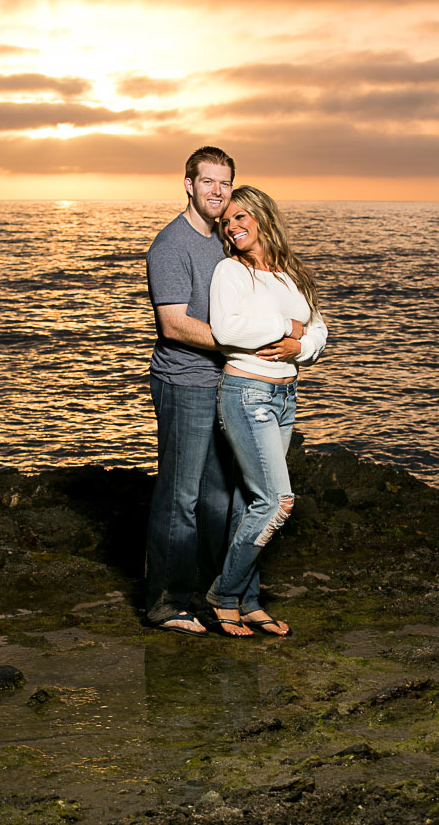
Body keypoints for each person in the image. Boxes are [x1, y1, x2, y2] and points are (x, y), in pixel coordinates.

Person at [207, 186, 328, 638]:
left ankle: (249, 601)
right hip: (246, 392)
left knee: (250, 503)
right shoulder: (230, 271)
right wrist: (284, 327)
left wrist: (302, 344)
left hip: (285, 395)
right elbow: (226, 329)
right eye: (227, 221)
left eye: (241, 217)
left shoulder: (289, 272)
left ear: (261, 217)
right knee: (278, 502)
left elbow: (318, 326)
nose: (233, 227)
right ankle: (224, 593)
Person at [145, 146, 236, 635]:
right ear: (188, 184)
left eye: (224, 183)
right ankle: (165, 603)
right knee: (179, 497)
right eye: (208, 182)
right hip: (183, 384)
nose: (217, 192)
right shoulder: (170, 245)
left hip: (224, 385)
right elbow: (174, 325)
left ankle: (204, 593)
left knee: (219, 498)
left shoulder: (225, 240)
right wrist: (243, 345)